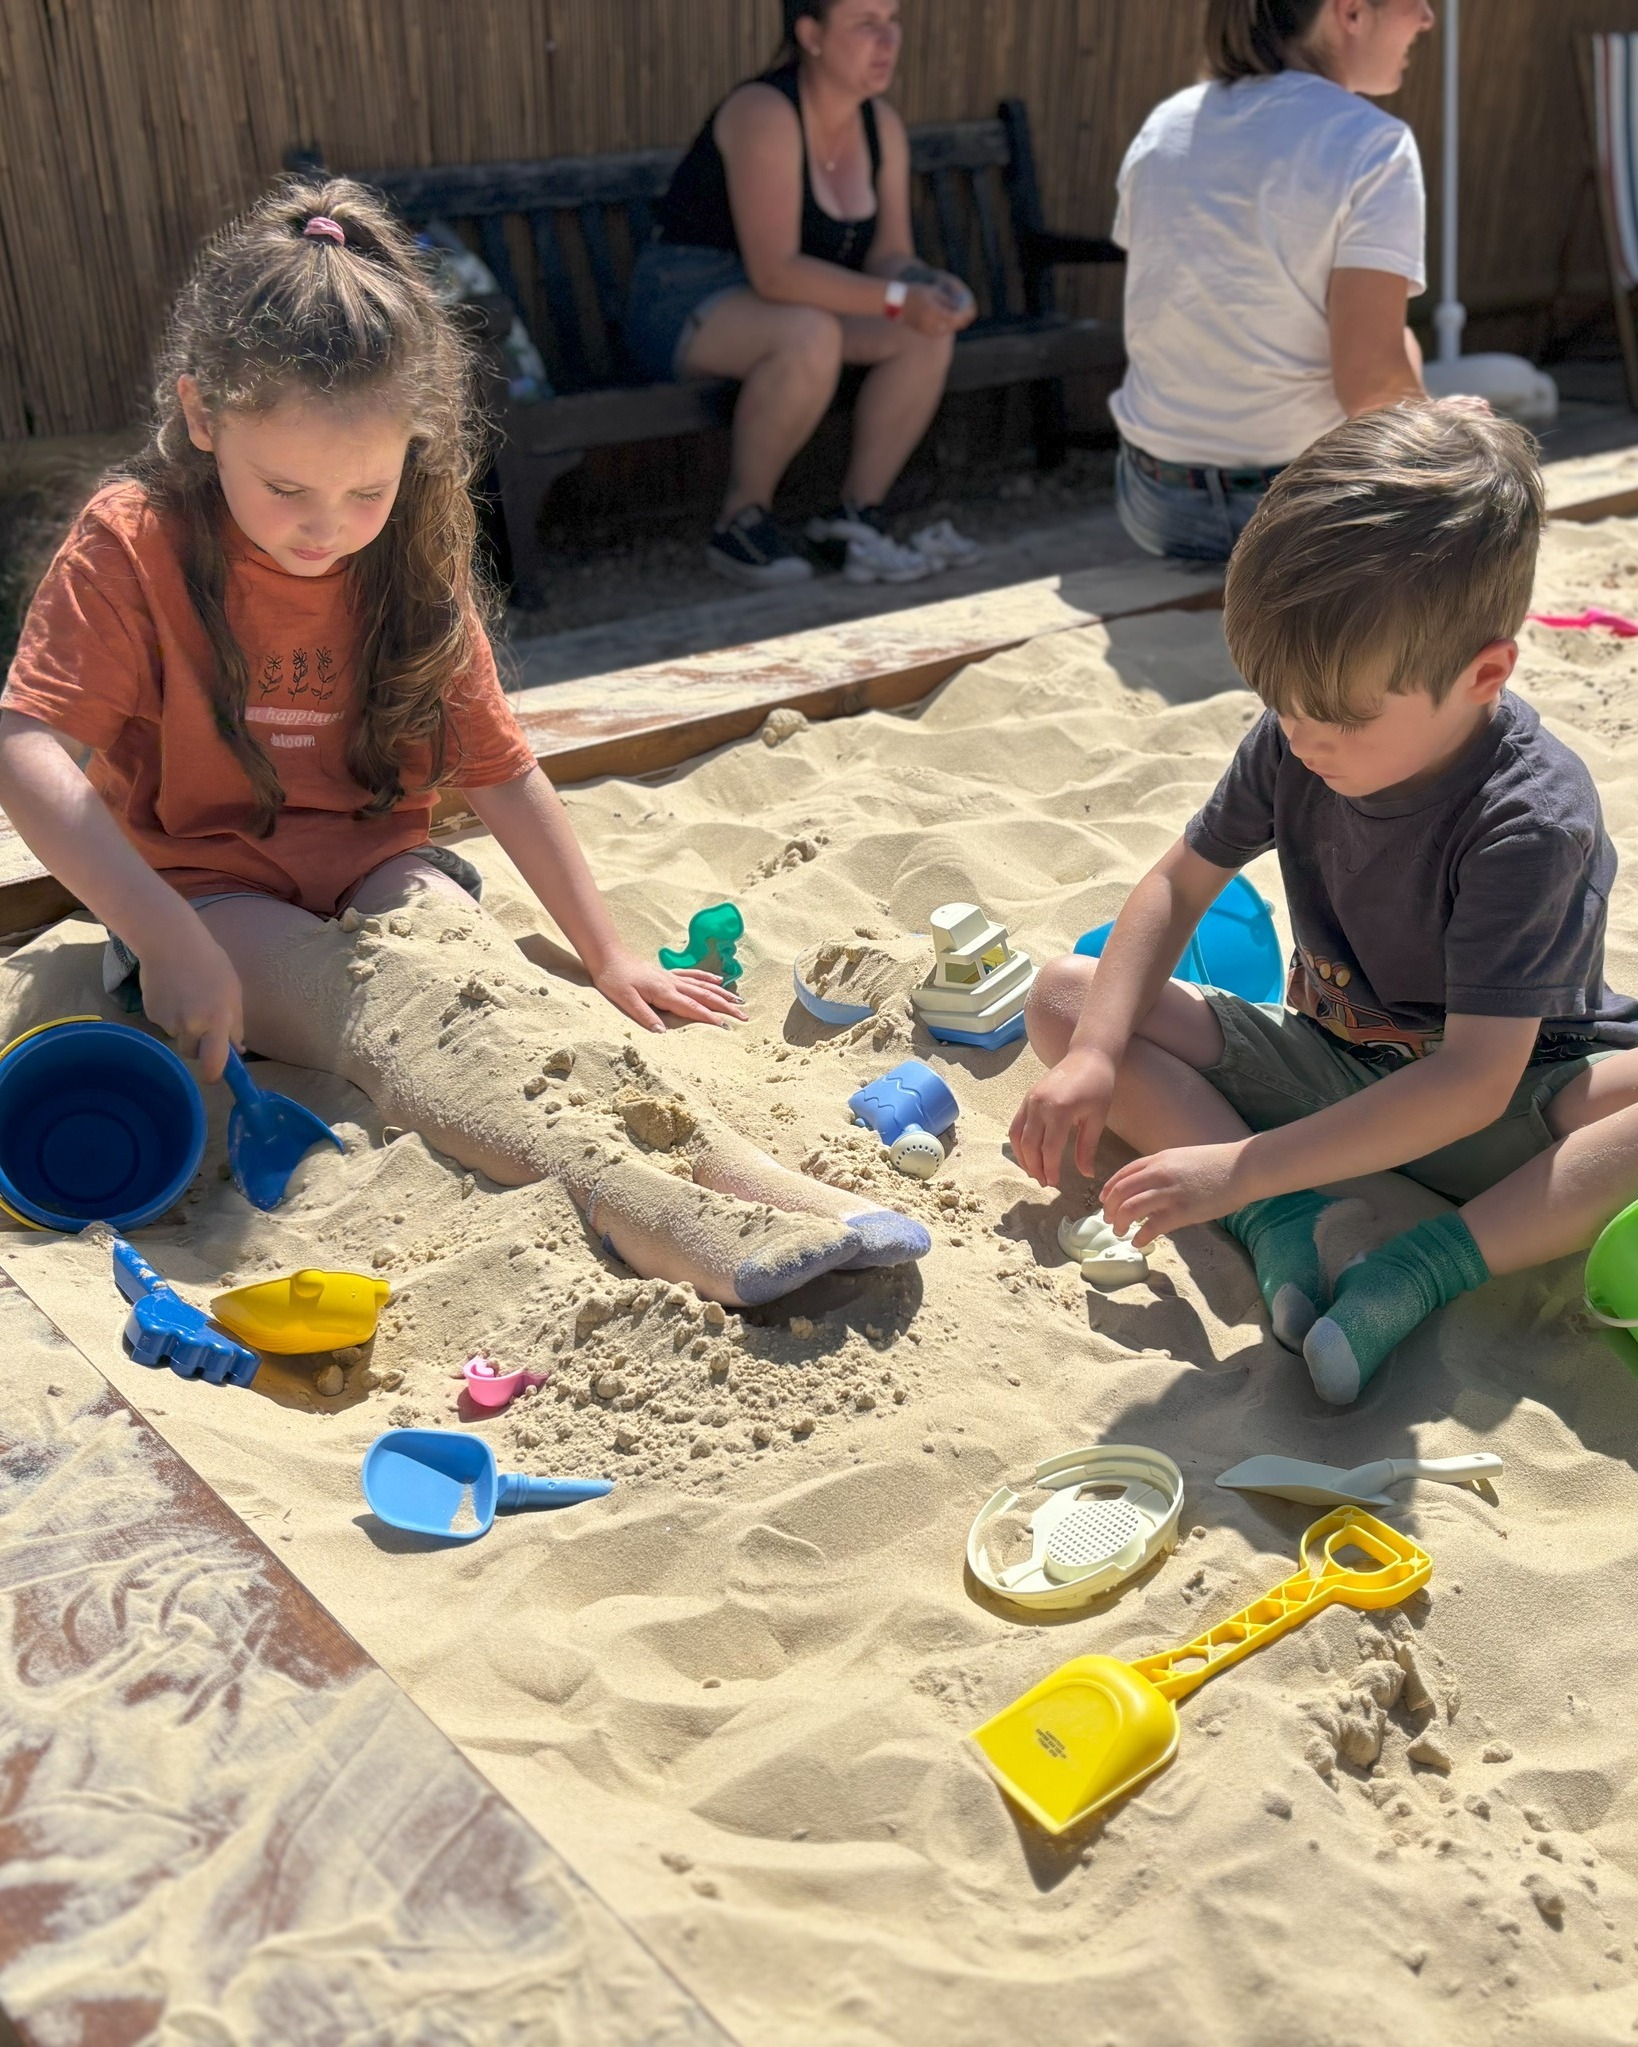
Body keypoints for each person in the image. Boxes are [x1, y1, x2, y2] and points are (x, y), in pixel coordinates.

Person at [0, 177, 930, 1307]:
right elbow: (25, 748)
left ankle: (755, 1177)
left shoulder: (407, 553)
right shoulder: (134, 540)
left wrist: (605, 953)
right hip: (203, 894)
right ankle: (651, 1209)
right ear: (203, 417)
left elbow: (500, 766)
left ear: (416, 444)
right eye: (285, 487)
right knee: (385, 1014)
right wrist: (160, 933)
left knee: (496, 987)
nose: (326, 528)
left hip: (377, 860)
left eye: (366, 490)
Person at [1009, 403, 1638, 1404]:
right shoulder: (1299, 732)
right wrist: (1092, 1054)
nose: (1302, 737)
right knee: (1062, 997)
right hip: (1333, 1066)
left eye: (1339, 715)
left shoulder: (1528, 819)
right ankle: (1283, 1227)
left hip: (1517, 1108)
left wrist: (1236, 1166)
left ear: (1483, 675)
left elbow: (1474, 1083)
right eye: (1282, 702)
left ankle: (1424, 1266)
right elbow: (1176, 883)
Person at [624, 0, 981, 588]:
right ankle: (740, 522)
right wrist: (898, 297)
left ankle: (855, 518)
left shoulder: (881, 125)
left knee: (923, 331)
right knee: (810, 335)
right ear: (811, 33)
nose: (887, 40)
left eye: (892, 21)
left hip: (798, 305)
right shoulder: (764, 111)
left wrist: (930, 286)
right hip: (689, 299)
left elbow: (890, 255)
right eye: (865, 24)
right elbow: (776, 274)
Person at [1108, 0, 1434, 562]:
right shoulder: (1374, 144)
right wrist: (1446, 438)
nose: (1427, 18)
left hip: (1156, 498)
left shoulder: (1167, 125)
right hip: (1294, 511)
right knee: (1405, 364)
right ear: (1352, 12)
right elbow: (1371, 388)